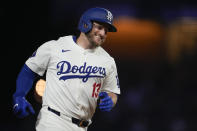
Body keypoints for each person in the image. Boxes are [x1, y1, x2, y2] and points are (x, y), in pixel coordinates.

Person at [12, 7, 121, 131]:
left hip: (82, 126)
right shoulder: (56, 46)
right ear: (86, 23)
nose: (103, 34)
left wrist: (111, 100)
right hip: (53, 120)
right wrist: (19, 95)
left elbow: (112, 92)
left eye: (106, 31)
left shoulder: (108, 61)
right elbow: (29, 70)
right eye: (99, 27)